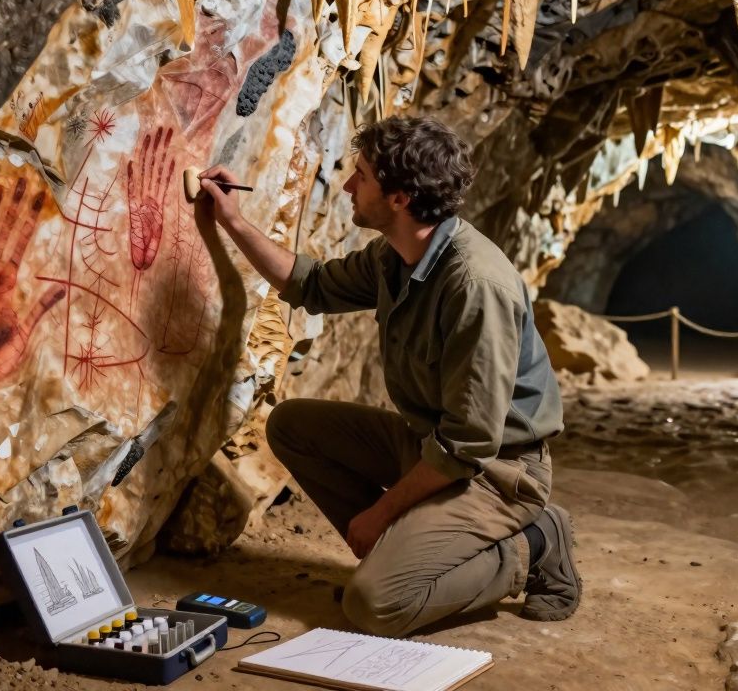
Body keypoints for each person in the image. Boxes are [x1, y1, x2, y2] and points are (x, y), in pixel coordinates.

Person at [195, 116, 580, 637]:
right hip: (430, 446)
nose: (348, 186)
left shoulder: (475, 286)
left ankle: (533, 544)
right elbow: (313, 284)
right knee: (292, 425)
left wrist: (379, 513)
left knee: (375, 606)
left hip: (496, 472)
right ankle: (402, 557)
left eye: (362, 176)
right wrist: (234, 222)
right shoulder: (394, 257)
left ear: (400, 198)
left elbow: (469, 444)